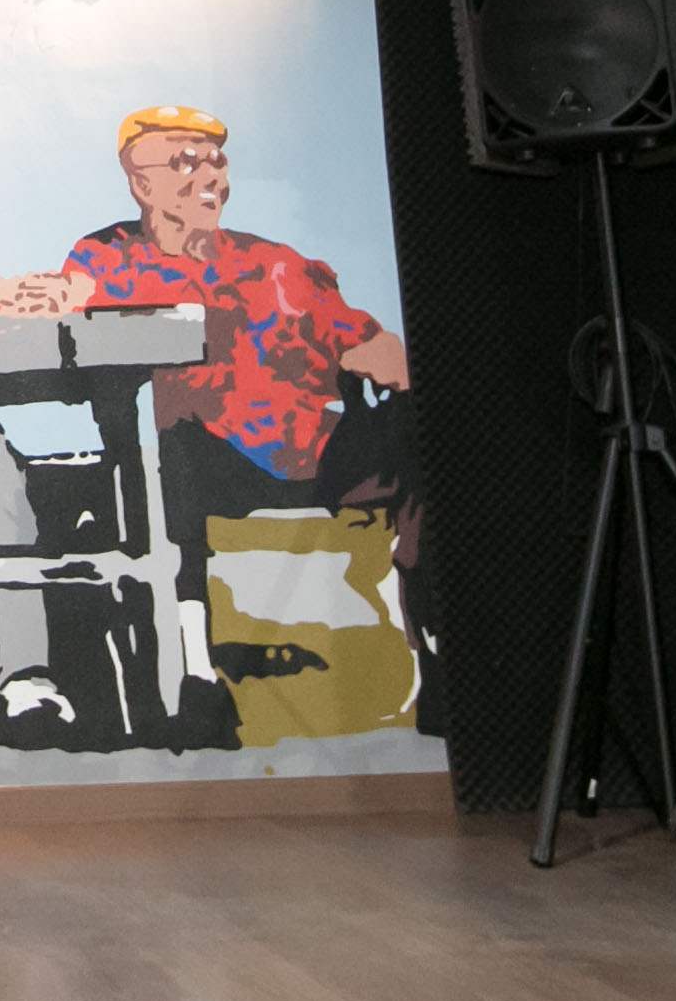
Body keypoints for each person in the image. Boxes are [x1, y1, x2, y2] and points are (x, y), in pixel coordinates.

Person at [43, 107, 422, 718]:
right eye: (184, 161)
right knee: (174, 426)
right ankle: (195, 665)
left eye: (216, 161)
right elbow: (69, 339)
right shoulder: (105, 260)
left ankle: (436, 647)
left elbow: (366, 342)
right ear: (140, 183)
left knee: (422, 439)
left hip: (309, 452)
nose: (208, 175)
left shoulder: (276, 264)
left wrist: (384, 357)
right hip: (196, 459)